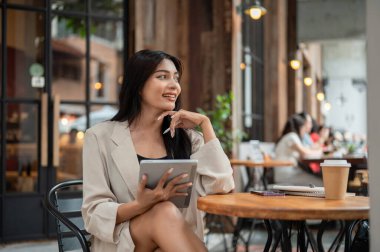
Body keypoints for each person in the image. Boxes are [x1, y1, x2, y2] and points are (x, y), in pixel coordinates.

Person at [81, 49, 235, 252]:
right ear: (138, 85)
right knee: (163, 210)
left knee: (166, 216)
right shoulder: (99, 137)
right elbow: (93, 214)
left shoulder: (187, 139)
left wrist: (205, 125)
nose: (174, 86)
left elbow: (222, 187)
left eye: (176, 78)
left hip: (175, 243)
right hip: (124, 243)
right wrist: (141, 204)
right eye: (162, 77)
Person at [274, 114, 323, 186]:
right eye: (304, 127)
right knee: (322, 183)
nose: (305, 131)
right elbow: (305, 153)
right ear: (300, 127)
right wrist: (320, 151)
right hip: (287, 174)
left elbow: (305, 151)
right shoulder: (292, 136)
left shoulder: (289, 136)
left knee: (320, 179)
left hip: (288, 172)